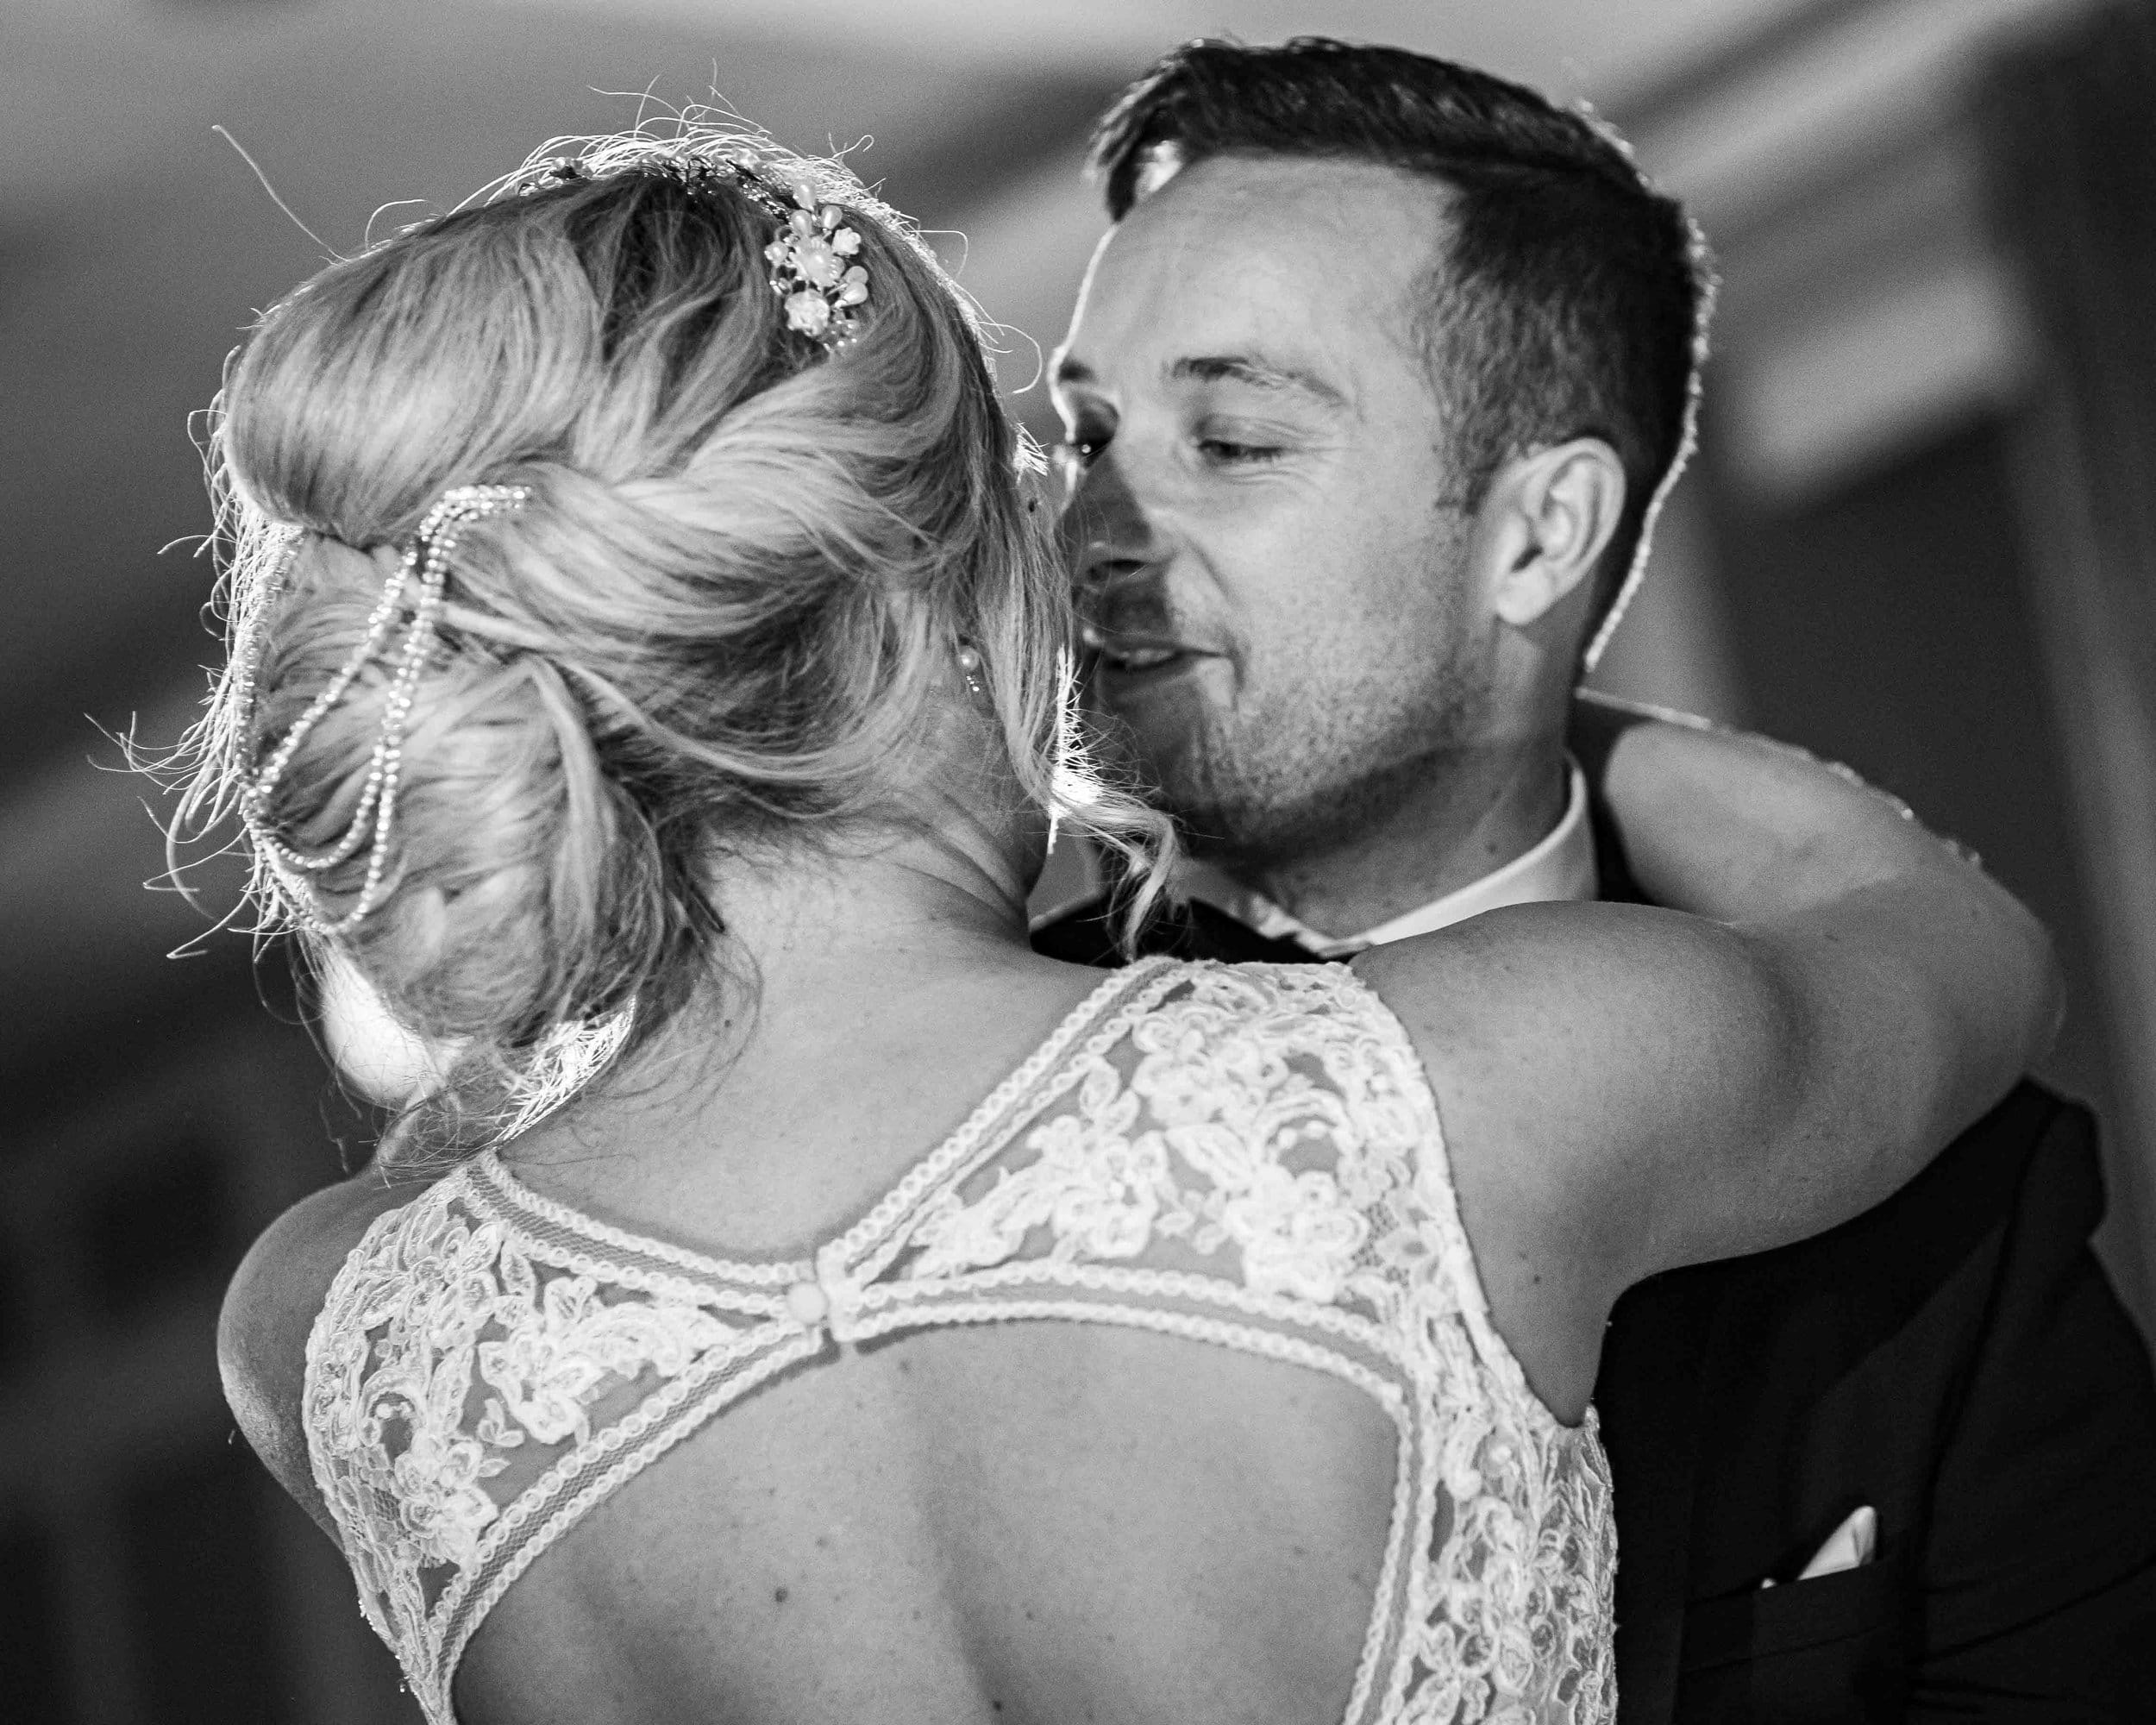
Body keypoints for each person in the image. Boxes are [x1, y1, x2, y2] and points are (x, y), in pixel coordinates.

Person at [198, 123, 2053, 1725]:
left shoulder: (339, 1334)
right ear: (941, 602)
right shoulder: (1472, 1090)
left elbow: (484, 1124)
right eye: (1041, 483)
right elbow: (1945, 942)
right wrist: (1562, 713)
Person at [1031, 38, 2156, 1722]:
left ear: (1538, 535)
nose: (1096, 526)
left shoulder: (1935, 1182)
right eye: (1089, 436)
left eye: (1233, 437)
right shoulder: (972, 1081)